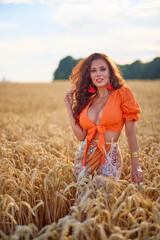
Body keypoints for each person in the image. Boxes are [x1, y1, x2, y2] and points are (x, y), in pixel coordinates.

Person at [64, 53, 144, 184]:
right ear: (89, 75)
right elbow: (80, 136)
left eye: (102, 69)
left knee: (103, 200)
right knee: (83, 201)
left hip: (109, 156)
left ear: (110, 72)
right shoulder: (88, 101)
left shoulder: (122, 94)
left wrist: (135, 164)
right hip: (85, 157)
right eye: (93, 71)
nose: (98, 74)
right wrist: (69, 108)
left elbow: (130, 133)